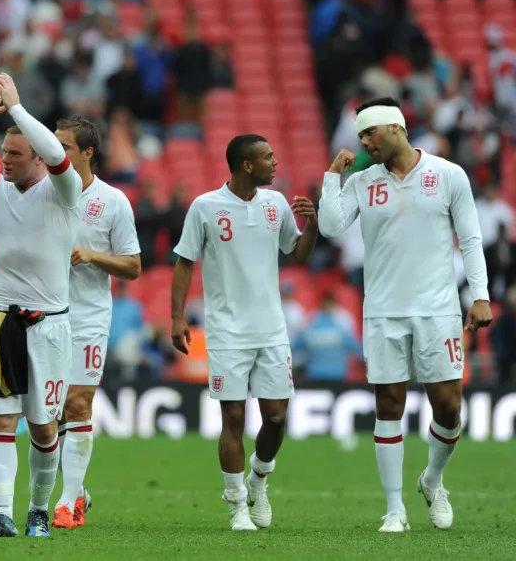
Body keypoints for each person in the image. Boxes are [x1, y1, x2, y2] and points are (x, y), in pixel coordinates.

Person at [317, 97, 493, 532]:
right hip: (383, 310)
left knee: (449, 408)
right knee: (388, 405)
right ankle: (395, 508)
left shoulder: (448, 175)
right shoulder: (361, 181)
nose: (363, 142)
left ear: (394, 127)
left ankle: (432, 479)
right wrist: (331, 177)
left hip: (437, 309)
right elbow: (330, 227)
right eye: (359, 135)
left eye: (368, 133)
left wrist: (481, 295)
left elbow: (470, 238)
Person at [170, 134, 318, 531]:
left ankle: (258, 478)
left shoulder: (276, 205)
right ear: (246, 165)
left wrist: (313, 224)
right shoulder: (205, 207)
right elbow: (185, 262)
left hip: (271, 330)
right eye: (268, 157)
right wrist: (177, 317)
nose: (275, 161)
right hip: (226, 331)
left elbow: (298, 254)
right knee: (233, 416)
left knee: (275, 418)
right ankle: (237, 505)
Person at [0, 74, 81, 537]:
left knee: (44, 428)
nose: (5, 161)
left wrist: (16, 109)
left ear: (34, 157)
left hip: (50, 325)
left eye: (14, 154)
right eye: (3, 153)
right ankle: (3, 515)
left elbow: (57, 155)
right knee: (0, 422)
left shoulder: (63, 192)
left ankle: (37, 509)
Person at [53, 116, 141, 529]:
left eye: (65, 147)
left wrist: (91, 255)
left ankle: (69, 502)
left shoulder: (113, 201)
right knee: (46, 415)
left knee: (78, 403)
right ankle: (78, 489)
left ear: (88, 152)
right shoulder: (42, 192)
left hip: (88, 316)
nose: (57, 153)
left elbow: (133, 266)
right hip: (44, 313)